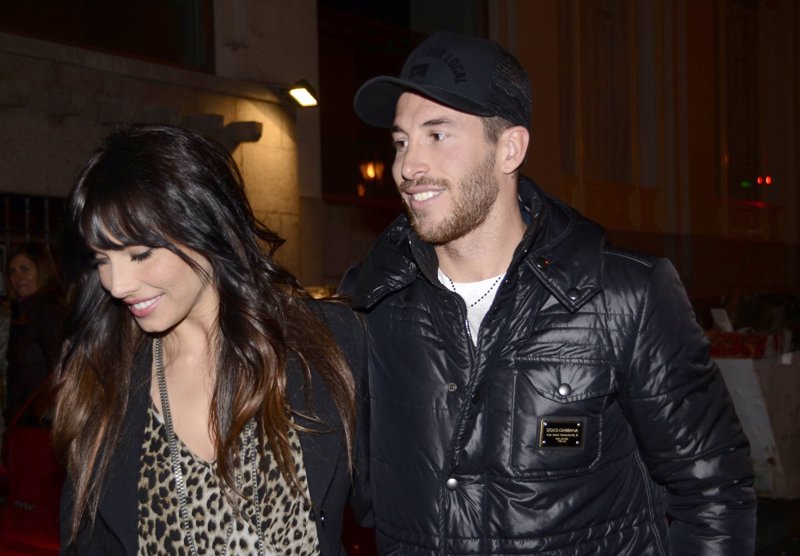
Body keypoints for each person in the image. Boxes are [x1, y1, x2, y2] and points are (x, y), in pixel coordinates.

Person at [341, 31, 756, 554]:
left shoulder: (625, 297)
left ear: (509, 148)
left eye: (437, 135)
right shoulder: (371, 303)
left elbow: (714, 495)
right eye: (401, 142)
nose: (408, 167)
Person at [51, 125, 369, 555]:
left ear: (206, 224)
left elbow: (404, 507)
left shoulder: (328, 340)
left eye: (140, 253)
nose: (117, 284)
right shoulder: (104, 379)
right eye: (101, 259)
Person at [5, 242, 66, 422]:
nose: (18, 277)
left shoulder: (48, 310)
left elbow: (58, 367)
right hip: (26, 416)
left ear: (42, 269)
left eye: (25, 269)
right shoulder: (25, 310)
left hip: (40, 420)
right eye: (12, 271)